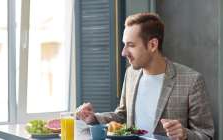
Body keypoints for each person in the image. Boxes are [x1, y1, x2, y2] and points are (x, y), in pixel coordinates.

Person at [76, 13, 214, 140]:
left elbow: (206, 135)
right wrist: (94, 118)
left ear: (153, 45)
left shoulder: (192, 81)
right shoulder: (131, 74)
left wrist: (185, 134)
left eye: (131, 45)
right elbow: (123, 116)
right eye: (125, 45)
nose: (123, 52)